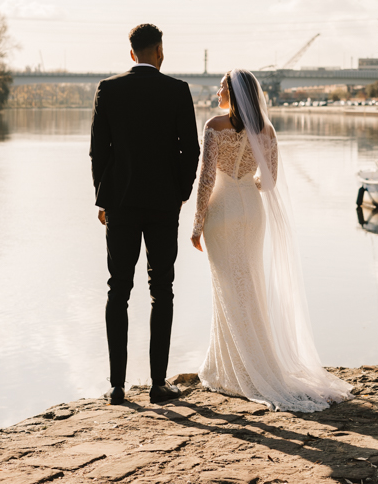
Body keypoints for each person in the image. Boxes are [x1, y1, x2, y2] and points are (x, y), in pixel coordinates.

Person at [191, 68, 352, 412]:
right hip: (253, 208)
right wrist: (248, 185)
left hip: (223, 210)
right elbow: (270, 182)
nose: (218, 90)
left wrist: (196, 224)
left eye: (222, 86)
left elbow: (205, 179)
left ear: (233, 93)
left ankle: (237, 370)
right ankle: (241, 363)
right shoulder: (267, 131)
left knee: (229, 287)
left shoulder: (213, 127)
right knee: (250, 284)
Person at [90, 24, 200, 405]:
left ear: (132, 52)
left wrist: (102, 200)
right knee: (162, 291)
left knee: (117, 289)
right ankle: (157, 384)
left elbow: (98, 151)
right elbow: (191, 151)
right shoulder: (177, 90)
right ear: (160, 51)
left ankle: (117, 387)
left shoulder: (109, 89)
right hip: (162, 206)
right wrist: (180, 195)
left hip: (119, 203)